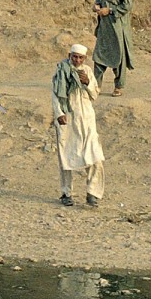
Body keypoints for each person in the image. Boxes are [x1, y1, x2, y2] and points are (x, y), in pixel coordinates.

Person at [52, 42, 105, 207]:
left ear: (84, 58)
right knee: (66, 156)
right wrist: (59, 114)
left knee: (94, 156)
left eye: (80, 57)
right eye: (74, 57)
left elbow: (95, 94)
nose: (77, 60)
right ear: (70, 55)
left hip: (86, 119)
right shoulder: (61, 71)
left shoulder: (87, 71)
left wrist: (87, 82)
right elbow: (55, 95)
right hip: (68, 118)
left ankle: (92, 193)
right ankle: (66, 193)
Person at [92, 0, 134, 95]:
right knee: (98, 55)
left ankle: (119, 86)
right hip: (104, 26)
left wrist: (110, 10)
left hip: (117, 26)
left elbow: (127, 5)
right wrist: (96, 6)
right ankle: (96, 86)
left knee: (118, 56)